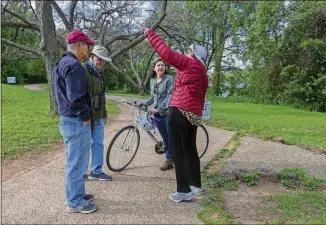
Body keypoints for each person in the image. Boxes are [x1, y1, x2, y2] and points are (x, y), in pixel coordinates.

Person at [143, 27, 208, 203]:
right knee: (190, 149)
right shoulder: (203, 72)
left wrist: (150, 35)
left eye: (189, 51)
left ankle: (183, 190)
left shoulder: (189, 63)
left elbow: (166, 52)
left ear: (193, 54)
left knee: (177, 150)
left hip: (178, 111)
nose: (186, 53)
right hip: (193, 116)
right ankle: (195, 185)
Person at [52, 30, 97, 213]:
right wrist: (86, 117)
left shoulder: (60, 64)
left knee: (75, 161)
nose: (89, 48)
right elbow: (76, 98)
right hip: (76, 121)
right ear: (78, 45)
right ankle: (74, 202)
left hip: (66, 120)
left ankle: (77, 193)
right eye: (87, 45)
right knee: (77, 163)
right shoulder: (74, 66)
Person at [82, 46, 112, 181]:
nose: (101, 62)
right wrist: (84, 114)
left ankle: (96, 171)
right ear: (92, 57)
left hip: (98, 115)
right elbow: (78, 95)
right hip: (86, 116)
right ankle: (81, 173)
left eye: (103, 60)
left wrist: (104, 113)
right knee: (83, 145)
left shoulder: (101, 74)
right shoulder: (82, 70)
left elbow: (102, 95)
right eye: (99, 59)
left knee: (98, 144)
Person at [141, 58, 174, 171]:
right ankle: (169, 160)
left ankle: (177, 158)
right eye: (158, 65)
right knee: (165, 138)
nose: (160, 67)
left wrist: (159, 108)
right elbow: (152, 97)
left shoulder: (169, 79)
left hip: (167, 113)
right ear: (154, 68)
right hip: (157, 115)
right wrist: (144, 104)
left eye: (162, 65)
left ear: (165, 68)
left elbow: (169, 96)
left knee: (171, 137)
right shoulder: (153, 80)